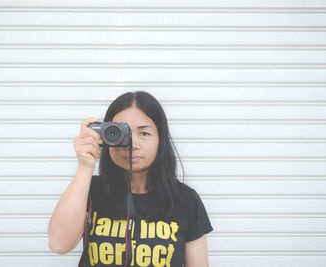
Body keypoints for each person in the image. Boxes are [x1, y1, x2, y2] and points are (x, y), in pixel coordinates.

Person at [48, 91, 213, 267]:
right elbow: (59, 244)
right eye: (120, 133)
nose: (132, 145)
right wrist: (85, 166)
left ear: (160, 139)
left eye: (144, 133)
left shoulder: (185, 200)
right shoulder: (91, 190)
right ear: (105, 137)